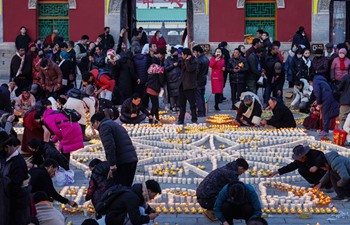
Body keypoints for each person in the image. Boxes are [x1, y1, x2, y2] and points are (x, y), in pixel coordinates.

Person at [91, 112, 138, 187]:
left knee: (120, 189)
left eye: (93, 124)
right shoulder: (113, 124)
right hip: (131, 158)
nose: (93, 127)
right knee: (126, 187)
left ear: (96, 121)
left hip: (123, 161)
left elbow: (109, 146)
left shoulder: (104, 127)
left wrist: (112, 165)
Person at [0, 131, 31, 225]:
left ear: (7, 148)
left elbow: (12, 186)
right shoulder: (5, 158)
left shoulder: (18, 164)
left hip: (15, 208)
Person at [178, 48, 198, 124]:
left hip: (189, 86)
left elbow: (189, 69)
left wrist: (187, 61)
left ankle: (194, 119)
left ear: (186, 55)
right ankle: (181, 119)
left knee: (192, 104)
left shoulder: (194, 61)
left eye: (182, 54)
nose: (181, 56)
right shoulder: (183, 61)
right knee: (182, 105)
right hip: (182, 85)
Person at [193, 45, 209, 117]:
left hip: (198, 80)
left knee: (198, 96)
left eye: (195, 52)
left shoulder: (198, 60)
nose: (194, 53)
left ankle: (200, 112)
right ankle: (203, 111)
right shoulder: (206, 59)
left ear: (198, 52)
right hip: (203, 79)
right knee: (202, 96)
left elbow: (197, 71)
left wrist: (193, 79)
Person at [165, 47, 182, 112]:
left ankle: (178, 105)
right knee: (172, 94)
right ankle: (172, 106)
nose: (176, 53)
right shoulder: (168, 59)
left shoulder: (179, 58)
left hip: (178, 78)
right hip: (171, 79)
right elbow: (166, 68)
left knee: (178, 93)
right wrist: (173, 65)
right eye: (175, 52)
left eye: (177, 52)